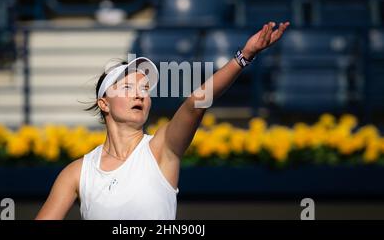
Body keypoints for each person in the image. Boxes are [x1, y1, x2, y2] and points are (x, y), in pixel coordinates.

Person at [35, 21, 290, 220]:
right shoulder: (77, 173)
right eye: (127, 88)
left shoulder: (161, 149)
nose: (139, 94)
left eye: (145, 89)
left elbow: (196, 103)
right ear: (104, 104)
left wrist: (243, 57)